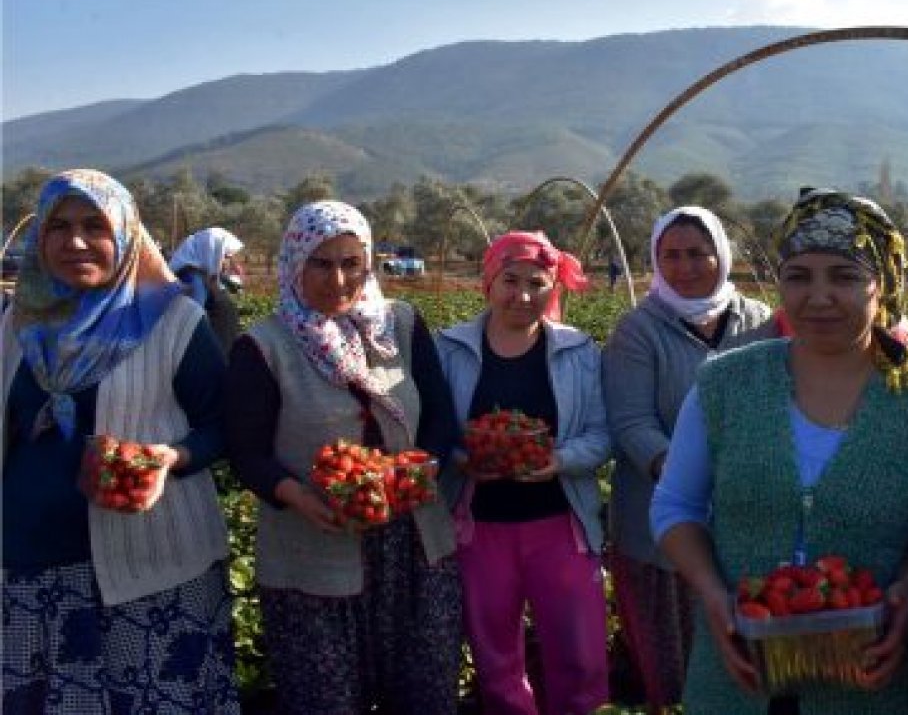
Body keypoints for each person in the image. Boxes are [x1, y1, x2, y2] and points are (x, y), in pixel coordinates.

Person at [652, 188, 908, 713]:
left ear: (882, 284)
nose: (818, 297)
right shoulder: (726, 383)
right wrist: (712, 593)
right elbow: (675, 506)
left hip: (875, 682)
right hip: (739, 674)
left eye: (844, 276)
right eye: (799, 276)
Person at [1, 169, 237, 712]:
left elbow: (225, 423)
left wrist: (170, 458)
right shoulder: (21, 317)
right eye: (58, 225)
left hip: (146, 572)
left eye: (94, 225)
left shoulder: (172, 320)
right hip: (23, 569)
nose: (75, 241)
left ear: (126, 235)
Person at [224, 200, 463, 713]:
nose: (338, 278)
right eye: (321, 263)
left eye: (351, 262)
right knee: (326, 696)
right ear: (294, 263)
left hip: (414, 545)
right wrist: (298, 497)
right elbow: (246, 452)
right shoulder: (264, 346)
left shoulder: (400, 324)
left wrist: (422, 469)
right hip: (314, 548)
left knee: (425, 690)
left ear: (368, 263)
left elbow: (440, 418)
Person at [602, 205, 773, 711]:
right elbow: (632, 424)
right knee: (671, 664)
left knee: (745, 660)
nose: (686, 266)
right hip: (657, 529)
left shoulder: (759, 321)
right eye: (671, 255)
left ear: (721, 253)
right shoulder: (639, 329)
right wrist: (686, 477)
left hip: (745, 519)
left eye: (698, 253)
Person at [436, 230, 612, 715]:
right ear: (488, 282)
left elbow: (602, 433)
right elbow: (432, 429)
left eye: (538, 282)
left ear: (553, 287)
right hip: (480, 526)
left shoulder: (579, 351)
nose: (524, 295)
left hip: (559, 521)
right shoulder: (448, 349)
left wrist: (559, 460)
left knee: (580, 652)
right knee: (495, 656)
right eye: (510, 280)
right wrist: (462, 458)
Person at [169, 226, 246, 354]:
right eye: (225, 256)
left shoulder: (204, 273)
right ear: (213, 250)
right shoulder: (193, 279)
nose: (226, 262)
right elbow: (193, 323)